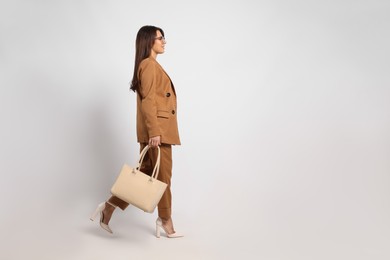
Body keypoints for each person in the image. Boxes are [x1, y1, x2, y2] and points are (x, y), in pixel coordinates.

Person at [90, 25, 183, 238]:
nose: (164, 41)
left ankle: (109, 207)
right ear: (149, 41)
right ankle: (166, 219)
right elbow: (149, 101)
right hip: (158, 132)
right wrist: (154, 132)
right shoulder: (149, 66)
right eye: (161, 38)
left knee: (144, 175)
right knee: (163, 178)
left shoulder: (148, 65)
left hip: (155, 131)